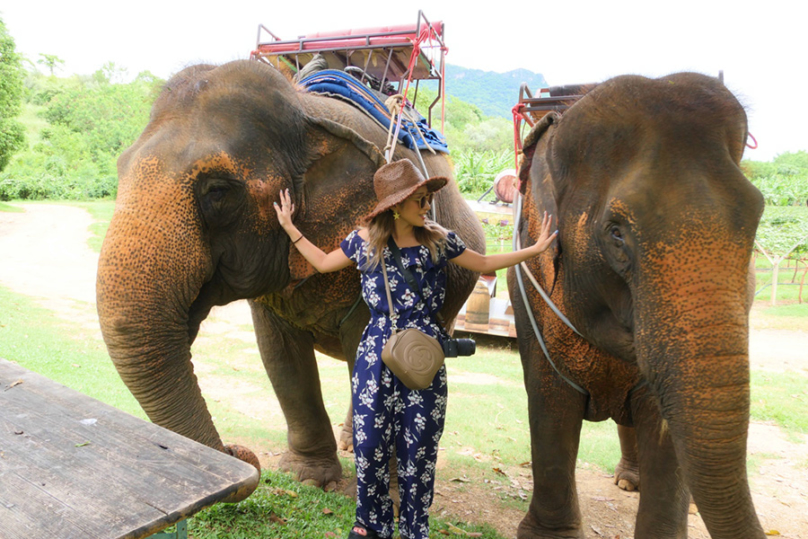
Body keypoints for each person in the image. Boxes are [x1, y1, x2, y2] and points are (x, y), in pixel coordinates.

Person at [274, 159, 556, 539]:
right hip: (376, 353)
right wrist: (291, 228)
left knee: (419, 448)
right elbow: (324, 262)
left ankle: (413, 529)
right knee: (370, 442)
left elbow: (485, 262)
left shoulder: (438, 240)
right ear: (395, 205)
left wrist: (534, 250)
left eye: (427, 199)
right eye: (420, 200)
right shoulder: (365, 241)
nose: (427, 206)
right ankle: (370, 526)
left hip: (423, 353)